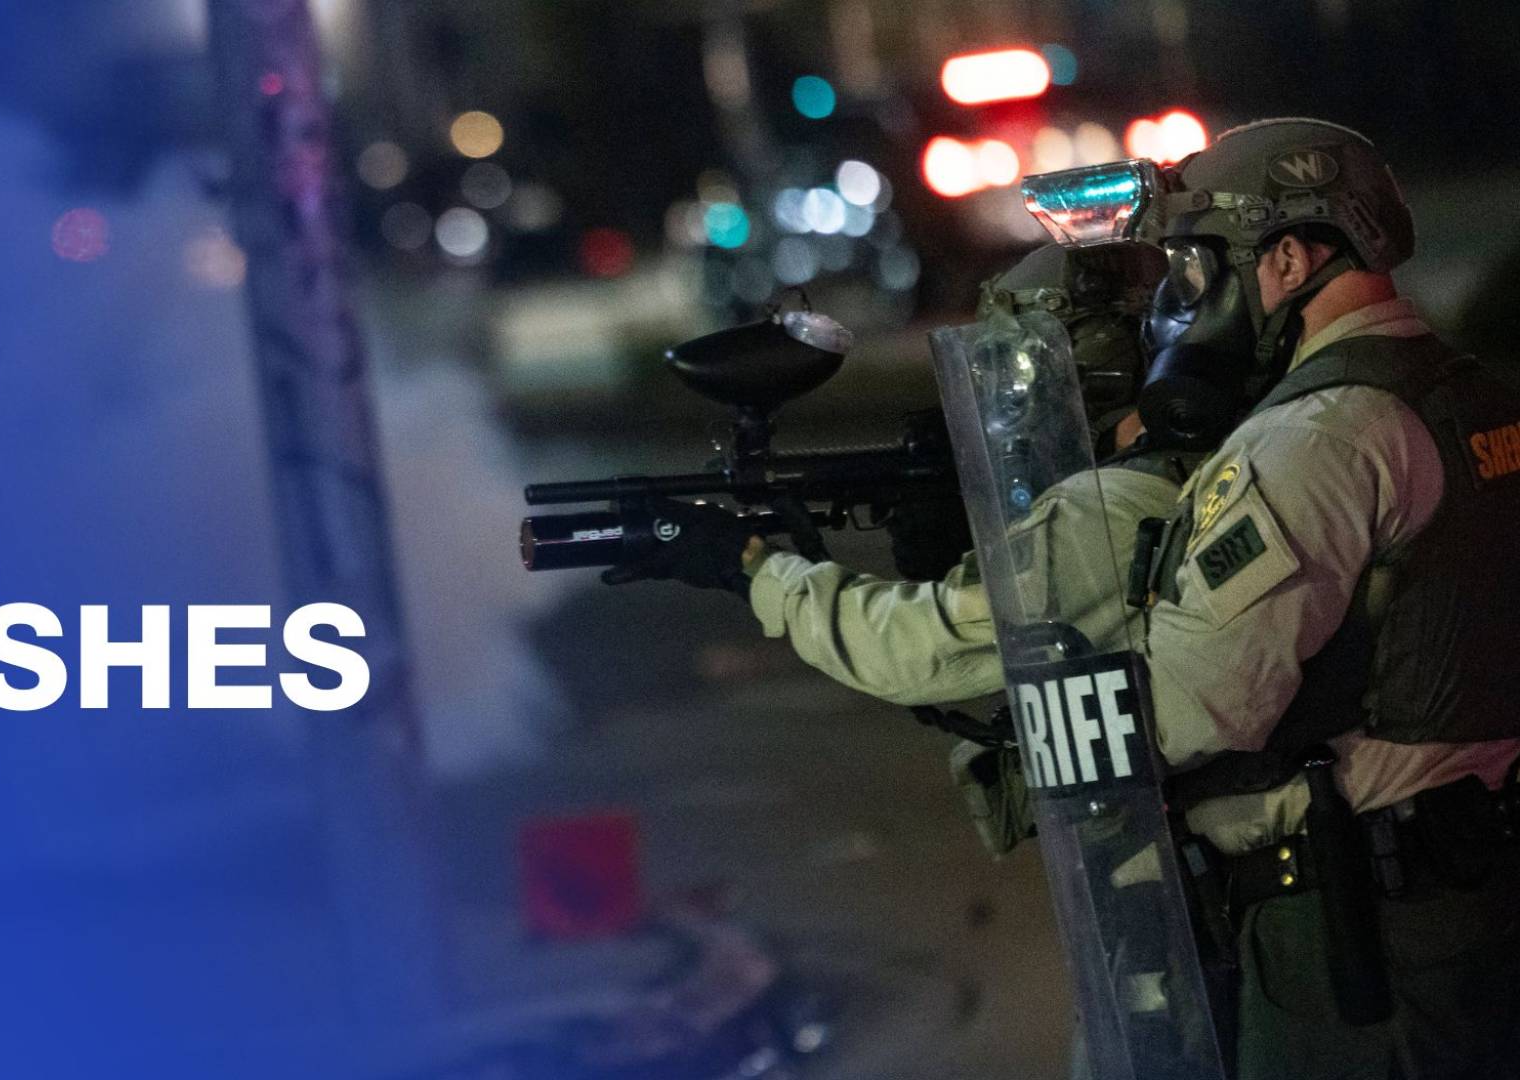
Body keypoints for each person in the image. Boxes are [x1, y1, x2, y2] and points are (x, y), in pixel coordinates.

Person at [1105, 117, 1520, 1079]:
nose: (1186, 299)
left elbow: (1195, 704)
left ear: (1289, 258)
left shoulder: (1317, 436)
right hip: (1474, 892)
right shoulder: (1470, 396)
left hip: (1355, 935)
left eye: (1201, 265)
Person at [604, 240, 1199, 856]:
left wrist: (749, 565)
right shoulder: (1173, 469)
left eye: (1015, 374)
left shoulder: (1111, 510)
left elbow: (912, 649)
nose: (1004, 403)